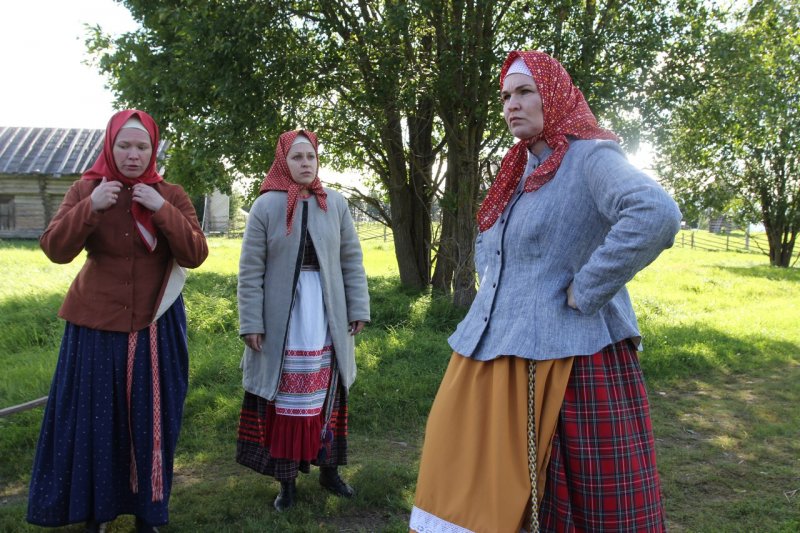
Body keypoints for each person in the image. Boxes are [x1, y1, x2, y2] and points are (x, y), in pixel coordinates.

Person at [410, 51, 681, 532]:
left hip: (569, 359)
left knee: (565, 495)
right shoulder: (518, 170)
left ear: (553, 95)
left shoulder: (589, 156)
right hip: (494, 351)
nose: (511, 105)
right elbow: (494, 248)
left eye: (524, 92)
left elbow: (655, 213)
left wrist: (588, 287)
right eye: (505, 96)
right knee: (466, 480)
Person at [27, 109, 208, 533]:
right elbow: (55, 249)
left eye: (142, 146)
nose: (132, 154)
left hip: (155, 327)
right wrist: (90, 207)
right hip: (94, 328)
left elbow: (195, 254)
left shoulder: (171, 194)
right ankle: (96, 512)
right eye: (124, 145)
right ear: (109, 146)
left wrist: (161, 209)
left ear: (153, 150)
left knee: (152, 422)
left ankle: (148, 513)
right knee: (94, 422)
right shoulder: (86, 189)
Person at [236, 129, 370, 512]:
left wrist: (358, 308)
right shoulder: (266, 206)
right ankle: (287, 483)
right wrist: (251, 322)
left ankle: (330, 471)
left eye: (310, 156)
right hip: (284, 321)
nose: (305, 163)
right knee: (284, 397)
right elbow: (250, 269)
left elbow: (351, 259)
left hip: (327, 317)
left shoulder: (335, 204)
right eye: (297, 157)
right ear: (283, 161)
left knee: (328, 393)